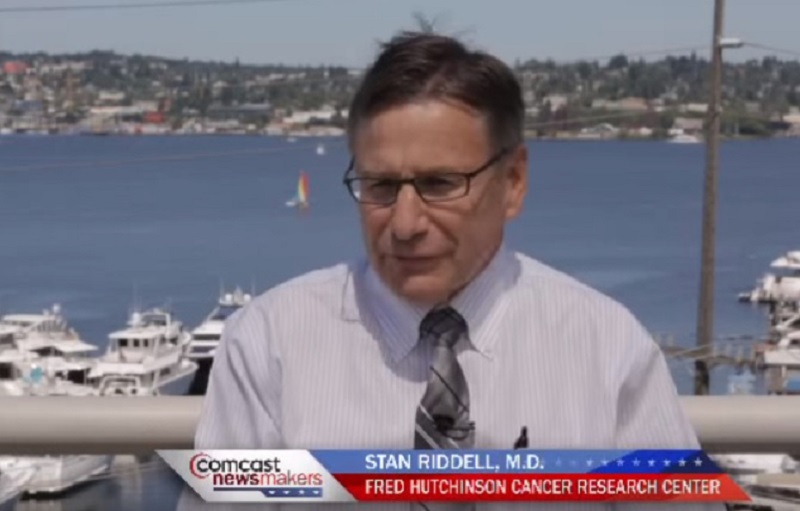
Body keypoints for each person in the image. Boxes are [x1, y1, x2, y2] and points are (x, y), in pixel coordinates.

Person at [177, 31, 726, 510]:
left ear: (513, 182)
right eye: (380, 186)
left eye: (440, 184)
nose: (405, 224)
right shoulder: (269, 345)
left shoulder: (607, 350)